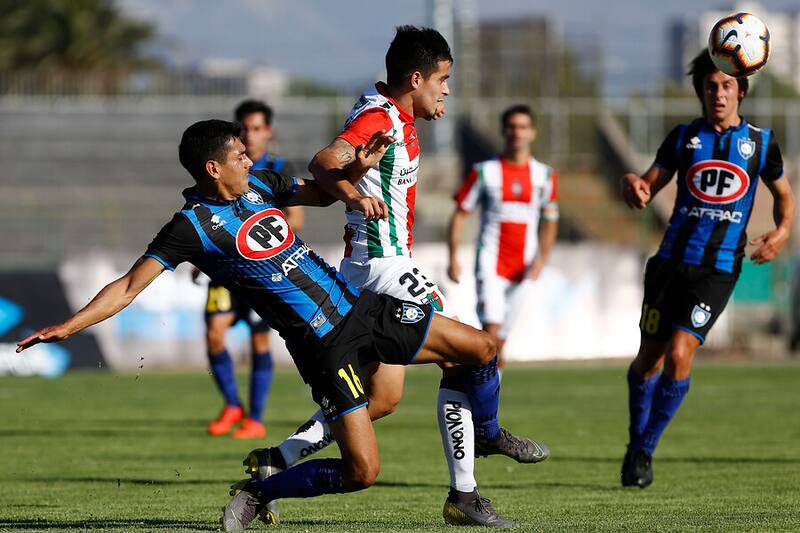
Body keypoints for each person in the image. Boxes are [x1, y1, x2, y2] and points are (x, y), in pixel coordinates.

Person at [16, 119, 511, 531]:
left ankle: (486, 435)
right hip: (323, 347)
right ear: (213, 168)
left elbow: (322, 195)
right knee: (362, 472)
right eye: (239, 156)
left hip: (361, 308)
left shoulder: (262, 184)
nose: (249, 161)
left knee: (481, 348)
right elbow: (127, 286)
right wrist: (69, 325)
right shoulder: (190, 227)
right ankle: (259, 492)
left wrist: (356, 172)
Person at [242, 26, 547, 528]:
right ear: (416, 79)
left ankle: (279, 460)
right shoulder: (378, 116)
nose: (447, 89)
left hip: (370, 269)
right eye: (442, 80)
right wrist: (355, 196)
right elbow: (324, 162)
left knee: (382, 398)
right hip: (384, 267)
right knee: (470, 353)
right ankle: (471, 477)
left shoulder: (395, 114)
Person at [618, 50, 795, 488]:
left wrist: (782, 230)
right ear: (700, 91)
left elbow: (784, 196)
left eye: (727, 85)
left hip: (717, 270)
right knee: (648, 361)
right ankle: (635, 439)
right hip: (669, 265)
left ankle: (645, 449)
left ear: (741, 91)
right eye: (710, 86)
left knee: (680, 353)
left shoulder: (761, 144)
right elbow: (646, 184)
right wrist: (631, 185)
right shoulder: (684, 138)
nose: (718, 93)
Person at [201, 100, 304, 439]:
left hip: (262, 272)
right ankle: (232, 404)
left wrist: (264, 239)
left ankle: (255, 419)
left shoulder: (277, 168)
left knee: (260, 341)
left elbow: (296, 218)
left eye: (257, 128)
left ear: (268, 131)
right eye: (244, 128)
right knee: (214, 333)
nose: (250, 135)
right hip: (226, 269)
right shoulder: (221, 167)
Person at [447, 104, 559, 366]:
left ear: (532, 132)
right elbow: (460, 213)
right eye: (512, 127)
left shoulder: (544, 176)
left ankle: (490, 387)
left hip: (525, 265)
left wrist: (542, 259)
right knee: (490, 334)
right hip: (491, 260)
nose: (517, 133)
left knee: (499, 344)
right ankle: (482, 392)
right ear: (503, 131)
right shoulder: (485, 172)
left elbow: (550, 220)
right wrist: (452, 256)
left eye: (523, 127)